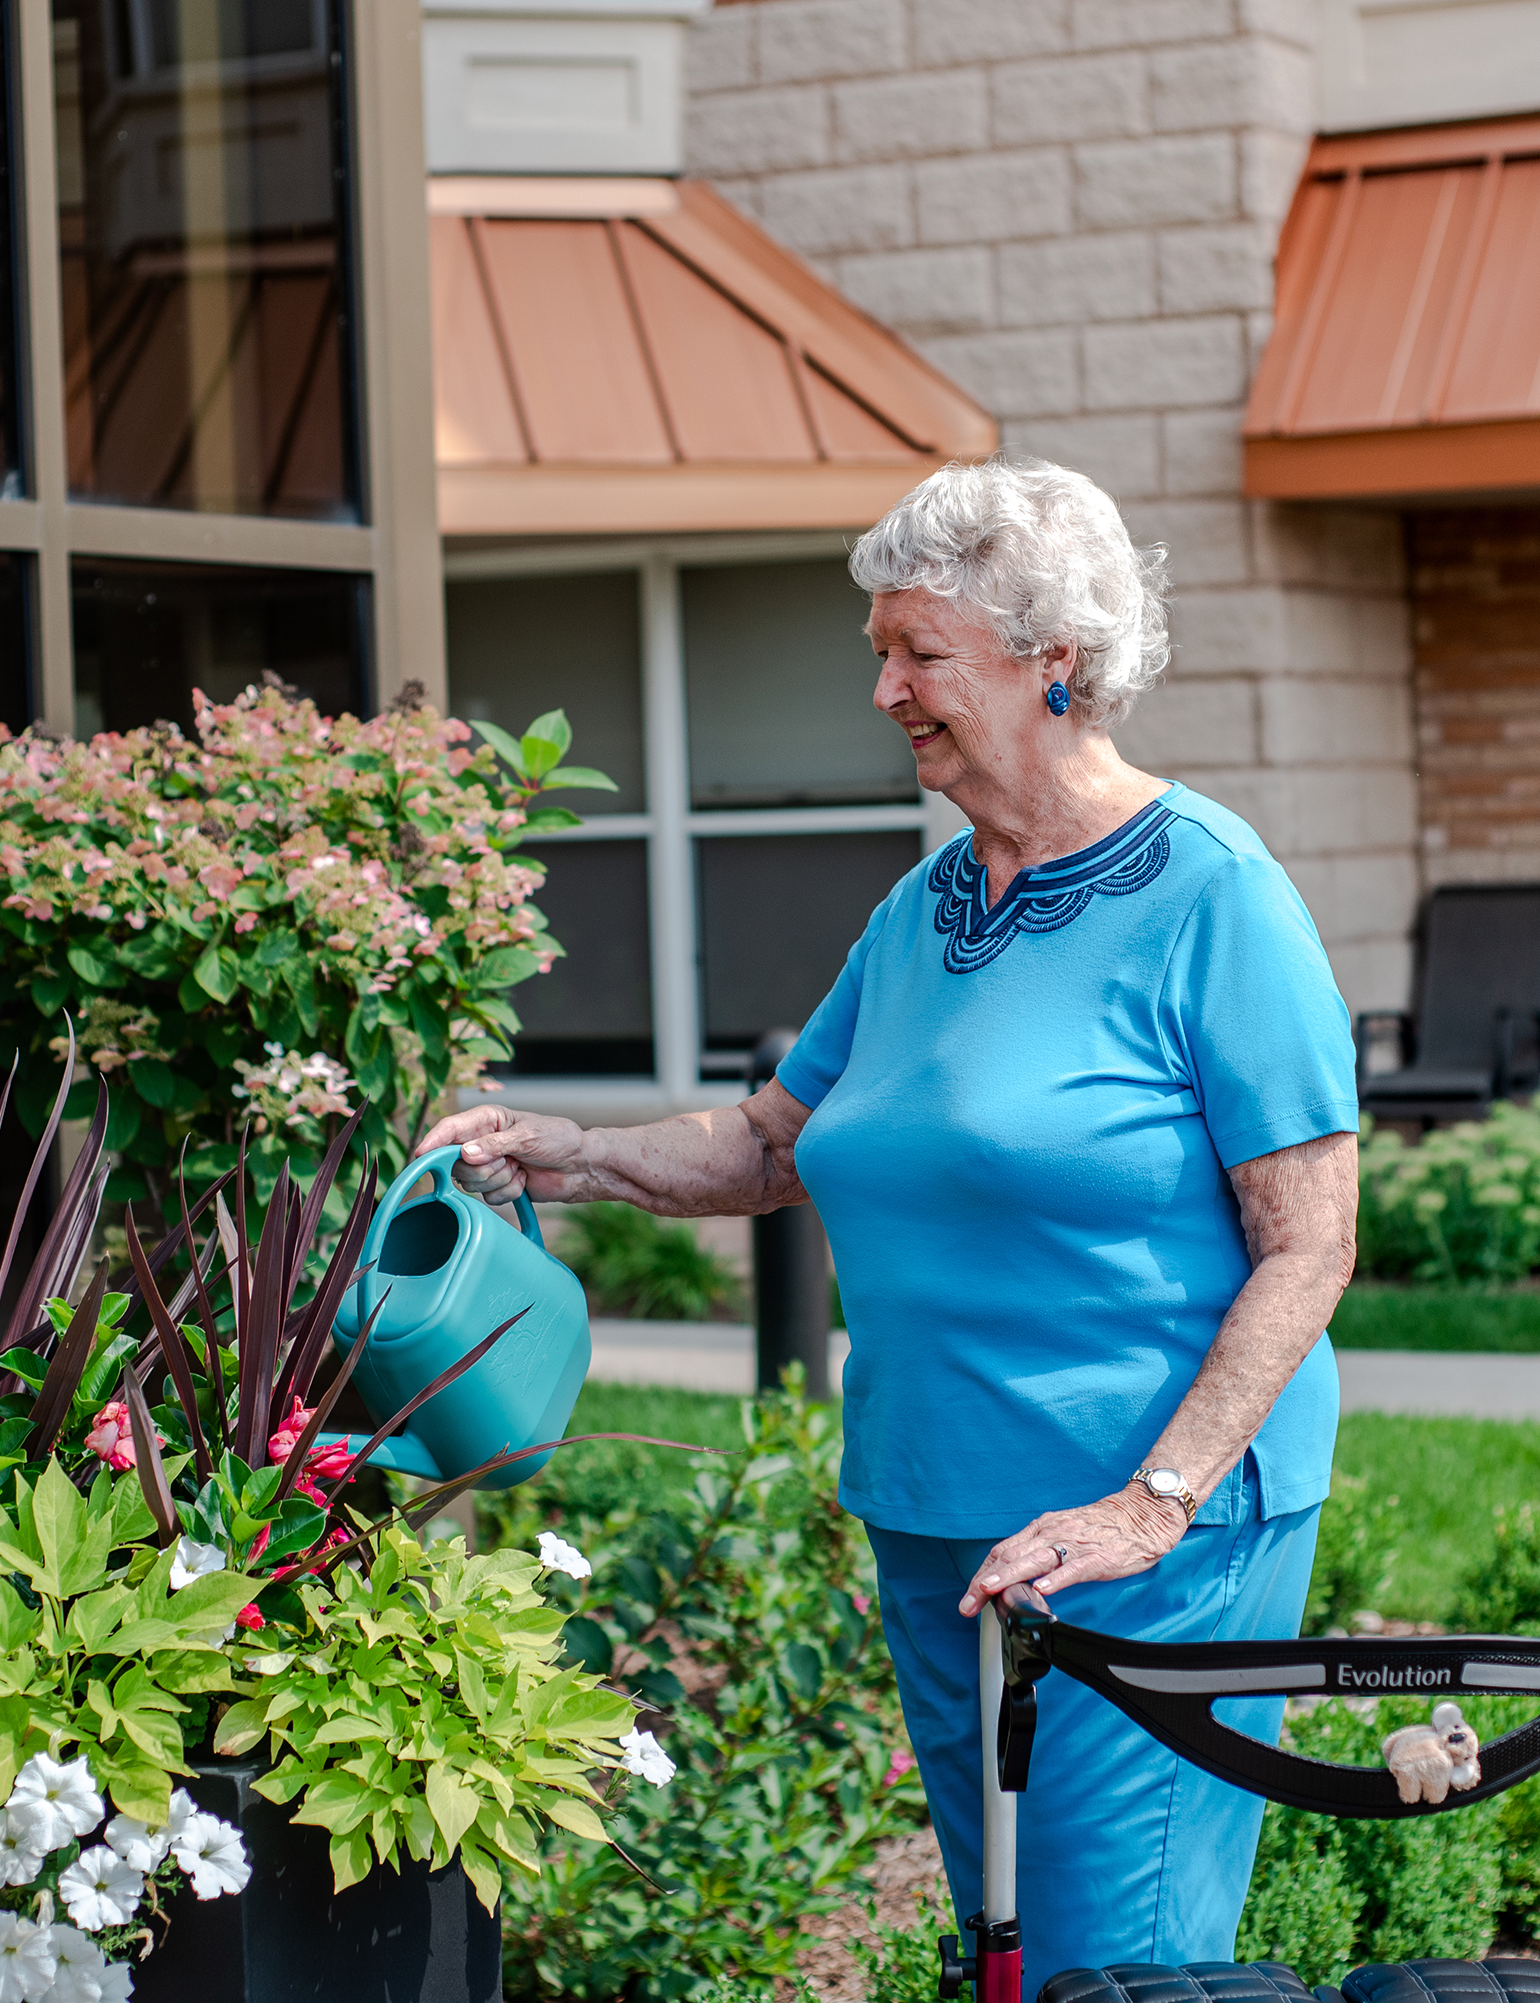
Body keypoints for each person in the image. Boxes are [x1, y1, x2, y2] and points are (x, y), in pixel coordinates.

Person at [417, 456, 1359, 1992]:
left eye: (919, 653)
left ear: (1052, 661)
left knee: (1115, 1961)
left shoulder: (1214, 896)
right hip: (942, 1522)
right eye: (882, 653)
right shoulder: (927, 908)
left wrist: (1152, 1504)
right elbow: (777, 1140)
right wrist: (565, 1151)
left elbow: (1310, 1241)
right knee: (1007, 1950)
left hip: (1137, 1541)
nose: (886, 690)